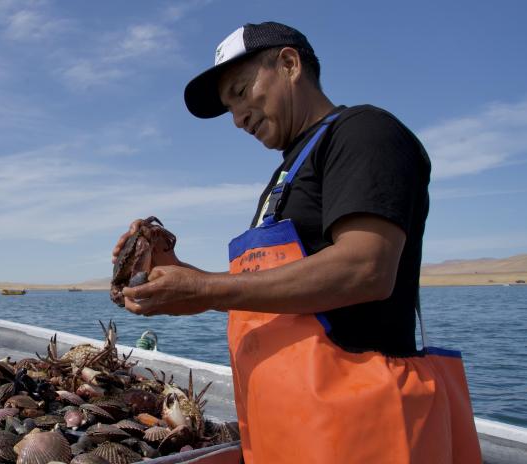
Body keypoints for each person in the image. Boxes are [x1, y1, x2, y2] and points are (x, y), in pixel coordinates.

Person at [112, 22, 482, 463]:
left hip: (360, 433)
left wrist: (205, 289)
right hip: (287, 434)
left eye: (242, 91)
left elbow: (365, 268)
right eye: (230, 107)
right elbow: (269, 289)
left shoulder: (364, 134)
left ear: (289, 64)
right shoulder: (287, 174)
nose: (238, 117)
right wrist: (170, 269)